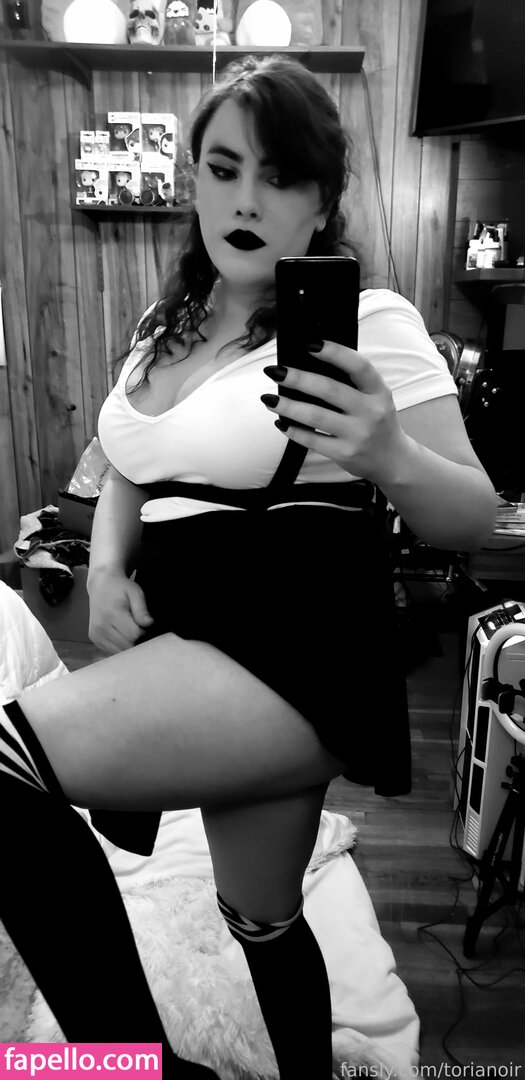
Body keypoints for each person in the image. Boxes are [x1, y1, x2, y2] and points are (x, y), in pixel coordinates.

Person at [0, 55, 496, 1079]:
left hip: (293, 644)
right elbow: (129, 461)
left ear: (322, 201)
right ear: (192, 179)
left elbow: (475, 517)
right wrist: (106, 569)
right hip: (187, 634)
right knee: (260, 918)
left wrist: (387, 453)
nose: (246, 200)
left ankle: (136, 1066)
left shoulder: (372, 321)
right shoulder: (165, 325)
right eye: (224, 169)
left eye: (280, 176)